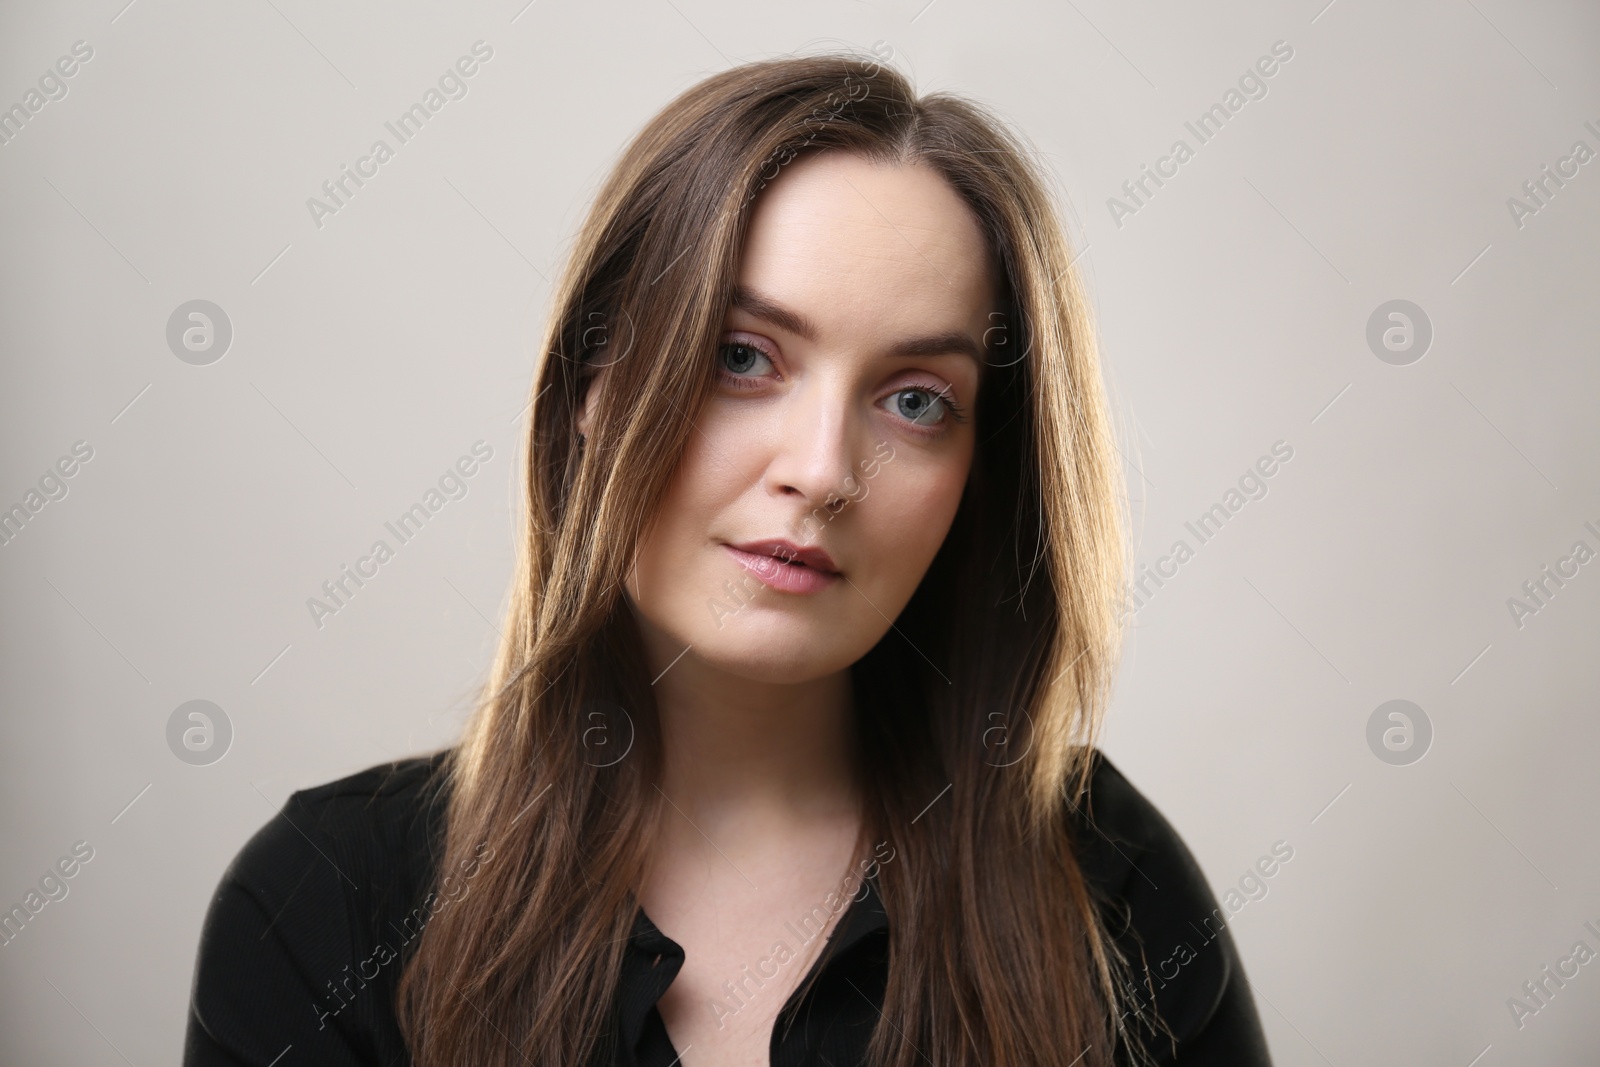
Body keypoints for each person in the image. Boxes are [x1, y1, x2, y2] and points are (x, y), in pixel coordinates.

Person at [183, 51, 1273, 1067]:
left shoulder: (1106, 889)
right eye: (740, 357)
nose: (821, 468)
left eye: (914, 399)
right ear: (590, 392)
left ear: (981, 478)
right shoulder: (326, 903)